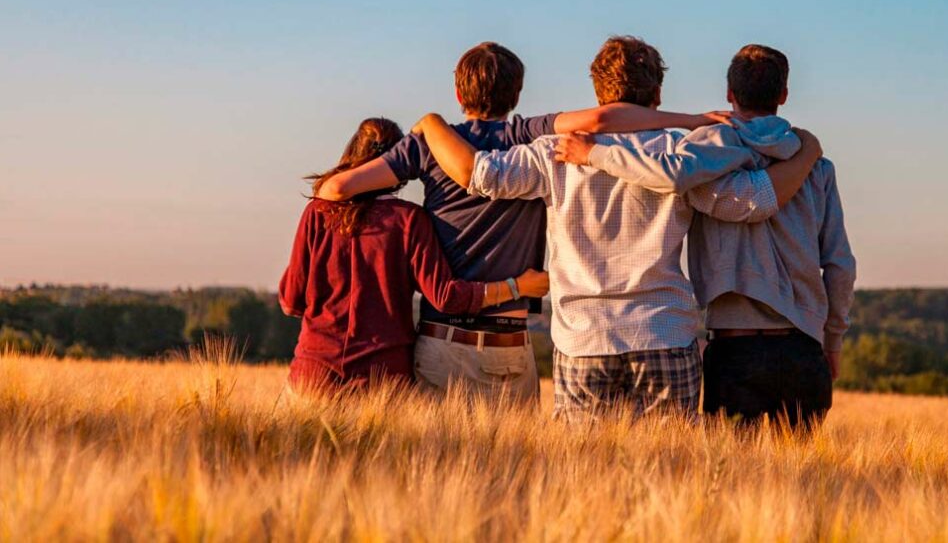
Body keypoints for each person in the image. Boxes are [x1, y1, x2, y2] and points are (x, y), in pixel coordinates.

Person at [410, 36, 821, 420]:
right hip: (664, 332)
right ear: (657, 95)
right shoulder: (683, 151)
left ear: (598, 93)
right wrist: (806, 155)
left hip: (583, 339)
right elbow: (750, 202)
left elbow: (479, 174)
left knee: (583, 476)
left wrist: (431, 124)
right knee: (671, 476)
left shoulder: (553, 151)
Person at [313, 41, 733, 403]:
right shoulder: (528, 135)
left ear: (458, 92)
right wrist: (691, 120)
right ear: (517, 94)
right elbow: (603, 120)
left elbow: (335, 191)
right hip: (513, 344)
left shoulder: (430, 144)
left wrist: (424, 133)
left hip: (445, 340)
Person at [556, 44, 856, 430]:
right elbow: (839, 264)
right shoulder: (817, 166)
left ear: (729, 94)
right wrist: (833, 340)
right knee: (804, 483)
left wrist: (595, 154)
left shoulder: (703, 154)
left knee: (728, 480)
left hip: (734, 348)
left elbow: (669, 175)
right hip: (803, 347)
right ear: (783, 95)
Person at [279, 117, 549, 396]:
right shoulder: (409, 220)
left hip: (314, 374)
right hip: (383, 380)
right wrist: (516, 287)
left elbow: (291, 301)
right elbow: (446, 297)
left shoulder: (317, 213)